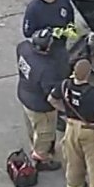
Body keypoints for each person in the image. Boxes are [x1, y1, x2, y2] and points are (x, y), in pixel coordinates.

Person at [49, 58, 94, 187]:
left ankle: (74, 186)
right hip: (89, 130)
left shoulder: (64, 85)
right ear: (87, 74)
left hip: (71, 127)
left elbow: (51, 100)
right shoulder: (92, 92)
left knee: (73, 159)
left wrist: (66, 112)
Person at [16, 29, 68, 171]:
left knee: (32, 126)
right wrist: (65, 110)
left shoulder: (23, 48)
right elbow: (51, 96)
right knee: (45, 133)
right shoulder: (46, 69)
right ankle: (42, 158)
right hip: (41, 106)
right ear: (48, 47)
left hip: (24, 94)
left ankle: (34, 146)